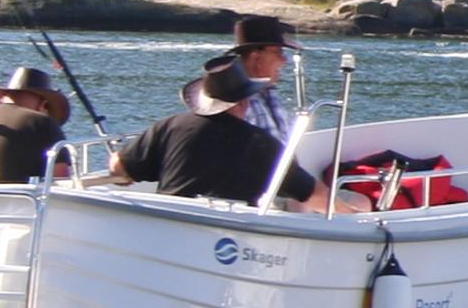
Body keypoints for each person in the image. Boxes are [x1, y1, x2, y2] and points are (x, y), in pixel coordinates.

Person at [102, 58, 317, 206]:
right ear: (242, 103)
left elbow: (118, 167)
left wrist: (124, 169)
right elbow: (312, 193)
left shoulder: (170, 126)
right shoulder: (263, 143)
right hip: (232, 236)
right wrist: (347, 212)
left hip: (170, 224)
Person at [217, 13, 298, 145]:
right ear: (256, 57)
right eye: (278, 52)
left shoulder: (269, 91)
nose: (284, 60)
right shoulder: (235, 103)